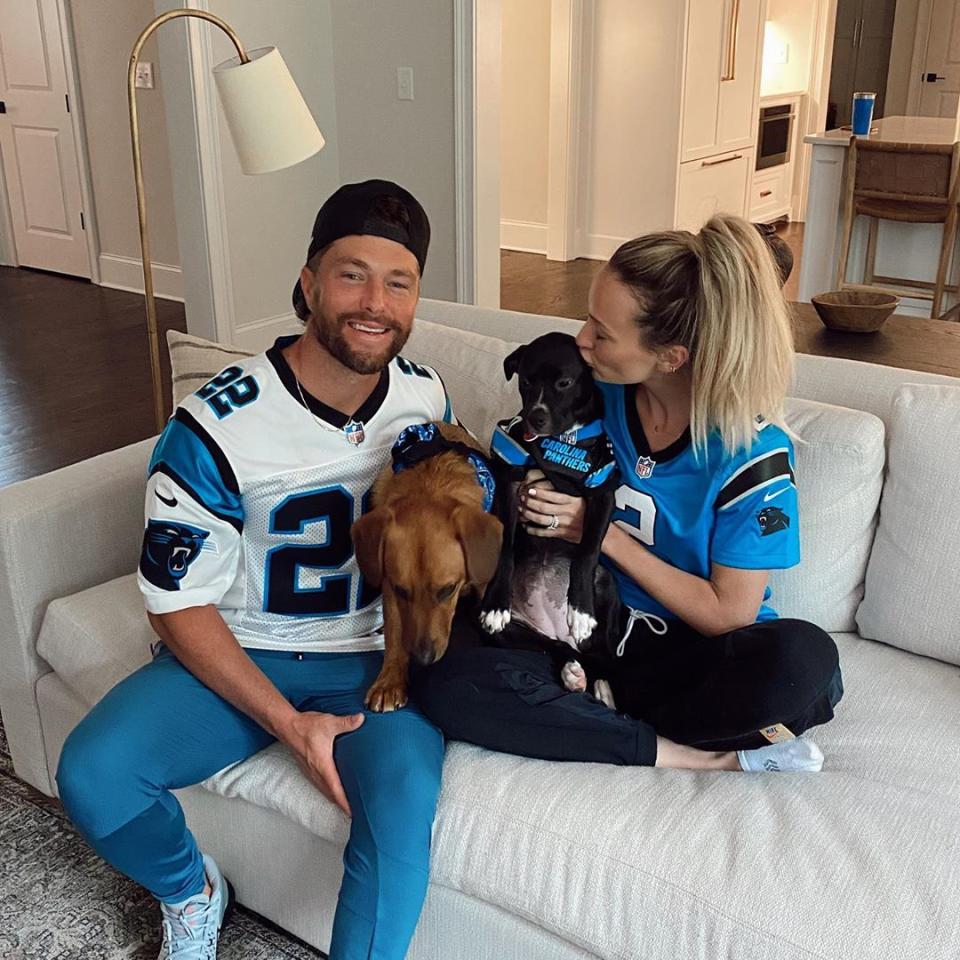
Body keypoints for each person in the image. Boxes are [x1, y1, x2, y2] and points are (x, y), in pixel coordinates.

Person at [56, 180, 455, 960]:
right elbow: (175, 607)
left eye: (398, 282)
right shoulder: (211, 424)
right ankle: (191, 890)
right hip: (247, 645)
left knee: (404, 806)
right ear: (307, 283)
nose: (375, 301)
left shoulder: (425, 396)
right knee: (94, 773)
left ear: (415, 299)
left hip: (374, 657)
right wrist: (288, 725)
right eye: (351, 274)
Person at [412, 213, 843, 774]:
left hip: (684, 657)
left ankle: (602, 718)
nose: (582, 340)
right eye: (586, 320)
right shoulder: (592, 395)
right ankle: (684, 753)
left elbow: (729, 614)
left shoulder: (751, 456)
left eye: (601, 332)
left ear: (670, 357)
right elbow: (514, 454)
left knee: (804, 666)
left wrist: (599, 533)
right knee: (443, 676)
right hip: (569, 629)